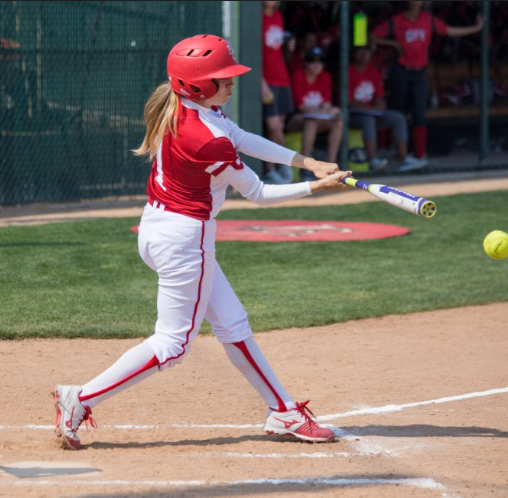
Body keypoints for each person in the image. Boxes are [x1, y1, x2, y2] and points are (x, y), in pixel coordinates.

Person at [52, 34, 352, 450]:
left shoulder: (185, 106)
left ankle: (283, 411)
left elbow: (243, 137)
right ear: (196, 84)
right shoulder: (206, 136)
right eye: (221, 77)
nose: (231, 82)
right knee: (173, 345)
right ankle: (79, 399)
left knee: (232, 323)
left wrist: (307, 161)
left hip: (160, 229)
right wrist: (316, 188)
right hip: (184, 239)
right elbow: (259, 193)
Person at [371, 1, 484, 166]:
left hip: (419, 73)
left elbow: (449, 30)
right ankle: (386, 149)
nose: (416, 3)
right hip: (401, 71)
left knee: (419, 113)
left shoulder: (427, 19)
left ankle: (419, 156)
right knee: (396, 111)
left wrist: (475, 28)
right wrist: (394, 44)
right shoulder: (397, 21)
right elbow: (371, 36)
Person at [348, 45, 424, 173]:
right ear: (354, 54)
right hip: (353, 115)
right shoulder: (348, 71)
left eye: (367, 52)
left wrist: (378, 106)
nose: (364, 56)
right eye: (360, 52)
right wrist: (370, 109)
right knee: (368, 120)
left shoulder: (372, 71)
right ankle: (372, 160)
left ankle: (403, 159)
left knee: (397, 118)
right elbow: (348, 102)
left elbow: (380, 97)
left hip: (372, 112)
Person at [287, 46, 343, 180]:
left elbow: (326, 104)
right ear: (306, 63)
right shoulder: (298, 76)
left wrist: (330, 110)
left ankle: (331, 167)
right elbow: (301, 107)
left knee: (337, 122)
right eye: (313, 61)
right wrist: (323, 110)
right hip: (294, 119)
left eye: (320, 61)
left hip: (317, 117)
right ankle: (306, 169)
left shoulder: (325, 77)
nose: (317, 65)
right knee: (311, 122)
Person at [262, 0, 295, 184]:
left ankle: (270, 169)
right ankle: (286, 162)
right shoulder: (258, 18)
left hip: (282, 77)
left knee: (278, 127)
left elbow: (277, 51)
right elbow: (253, 52)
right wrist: (261, 83)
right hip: (267, 80)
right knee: (273, 126)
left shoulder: (279, 16)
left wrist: (289, 47)